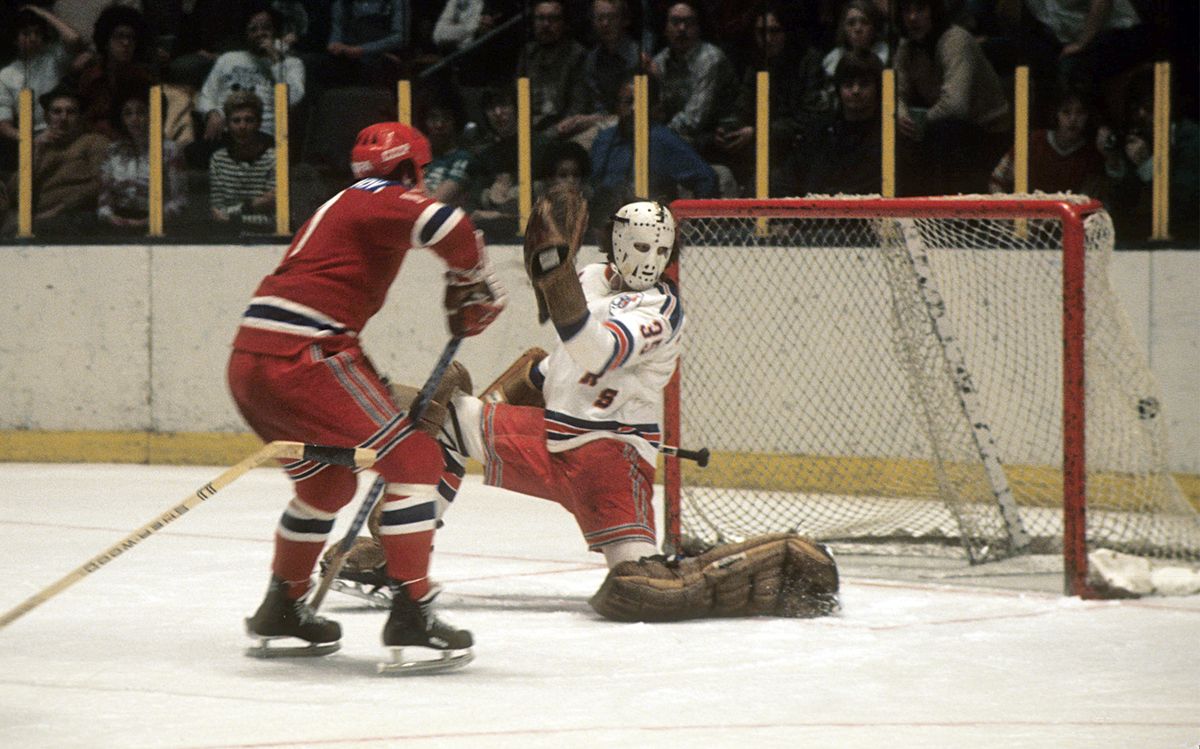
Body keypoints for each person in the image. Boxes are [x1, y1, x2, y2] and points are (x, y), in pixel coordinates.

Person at [227, 121, 506, 665]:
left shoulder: (347, 201)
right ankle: (412, 612)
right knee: (415, 460)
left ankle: (281, 605)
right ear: (410, 167)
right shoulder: (381, 196)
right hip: (305, 356)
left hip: (251, 361)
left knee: (327, 488)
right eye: (420, 172)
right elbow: (451, 223)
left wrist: (457, 280)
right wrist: (472, 277)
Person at [893, 0, 1011, 195]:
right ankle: (907, 214)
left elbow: (956, 106)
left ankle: (947, 216)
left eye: (920, 9)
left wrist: (919, 124)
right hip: (939, 125)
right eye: (906, 11)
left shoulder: (956, 40)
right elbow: (896, 94)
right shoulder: (906, 47)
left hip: (987, 132)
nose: (912, 18)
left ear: (934, 11)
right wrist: (902, 115)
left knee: (945, 130)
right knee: (894, 133)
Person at [589, 75, 718, 218]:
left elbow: (706, 178)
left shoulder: (662, 139)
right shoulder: (603, 139)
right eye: (628, 101)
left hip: (650, 226)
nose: (633, 109)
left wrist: (698, 226)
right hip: (603, 226)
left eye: (640, 102)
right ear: (617, 105)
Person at [3, 85, 108, 239]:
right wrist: (37, 152)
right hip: (36, 219)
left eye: (71, 112)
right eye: (57, 111)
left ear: (80, 117)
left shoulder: (93, 142)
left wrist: (57, 210)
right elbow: (12, 194)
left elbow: (101, 184)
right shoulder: (40, 146)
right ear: (47, 117)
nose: (63, 117)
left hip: (74, 216)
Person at [195, 5, 305, 146]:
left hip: (263, 137)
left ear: (275, 32)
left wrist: (276, 61)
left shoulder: (292, 64)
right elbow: (206, 95)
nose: (260, 33)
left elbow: (294, 99)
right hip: (224, 134)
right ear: (246, 35)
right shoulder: (228, 59)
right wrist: (212, 112)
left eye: (266, 28)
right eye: (253, 29)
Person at [0, 6, 86, 172]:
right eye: (26, 33)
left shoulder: (53, 57)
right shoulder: (6, 75)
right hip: (34, 139)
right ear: (15, 39)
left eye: (37, 33)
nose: (33, 38)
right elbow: (3, 124)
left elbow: (74, 39)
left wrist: (41, 13)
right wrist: (31, 139)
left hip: (68, 129)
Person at [788, 49, 884, 196]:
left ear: (878, 88)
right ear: (838, 88)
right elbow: (795, 174)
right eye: (848, 84)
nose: (856, 90)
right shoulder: (820, 131)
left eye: (864, 84)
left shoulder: (888, 136)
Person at [97, 86, 188, 234]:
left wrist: (147, 222)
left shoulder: (170, 151)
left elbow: (180, 202)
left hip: (156, 225)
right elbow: (103, 202)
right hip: (117, 225)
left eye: (141, 112)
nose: (134, 119)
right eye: (128, 113)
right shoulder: (112, 151)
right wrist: (110, 217)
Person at [988, 87, 1105, 196]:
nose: (1073, 119)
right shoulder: (1034, 142)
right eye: (1066, 112)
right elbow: (997, 180)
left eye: (1080, 113)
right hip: (1028, 214)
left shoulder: (1090, 154)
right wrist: (1012, 212)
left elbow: (1089, 199)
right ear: (1056, 114)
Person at [516, 0, 589, 136]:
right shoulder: (528, 52)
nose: (546, 24)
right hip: (530, 128)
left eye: (553, 19)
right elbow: (519, 99)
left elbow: (578, 108)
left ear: (563, 23)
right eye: (540, 18)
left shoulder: (576, 54)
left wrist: (549, 134)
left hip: (563, 130)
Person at [207, 91, 276, 232]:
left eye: (249, 120)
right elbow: (217, 213)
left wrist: (232, 215)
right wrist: (253, 206)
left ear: (259, 123)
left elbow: (274, 219)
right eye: (236, 120)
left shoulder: (273, 158)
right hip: (226, 238)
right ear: (227, 124)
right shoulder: (218, 159)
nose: (242, 126)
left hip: (266, 239)